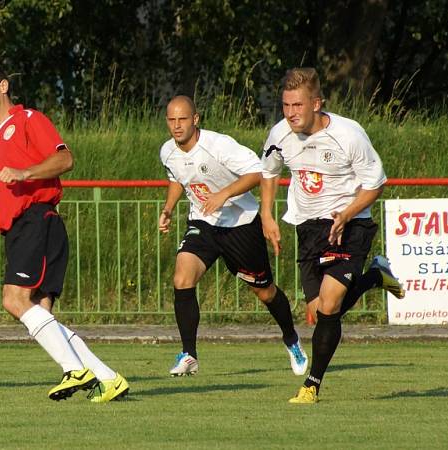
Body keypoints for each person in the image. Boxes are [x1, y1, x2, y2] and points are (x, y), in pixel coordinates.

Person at [0, 64, 128, 403]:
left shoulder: (28, 120)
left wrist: (25, 172)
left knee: (14, 299)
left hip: (39, 220)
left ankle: (74, 369)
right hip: (20, 229)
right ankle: (108, 378)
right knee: (39, 310)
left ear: (3, 86)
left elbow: (65, 159)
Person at [260, 67, 405, 404]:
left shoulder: (349, 135)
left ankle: (311, 386)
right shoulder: (279, 134)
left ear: (316, 103)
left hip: (349, 225)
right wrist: (267, 214)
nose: (291, 113)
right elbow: (268, 171)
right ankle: (374, 277)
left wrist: (347, 213)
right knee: (319, 313)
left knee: (330, 303)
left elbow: (375, 184)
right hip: (309, 229)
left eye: (298, 105)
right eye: (286, 105)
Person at [158, 95, 308, 378]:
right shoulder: (168, 151)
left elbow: (257, 172)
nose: (177, 126)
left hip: (240, 224)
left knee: (264, 292)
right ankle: (189, 354)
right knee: (182, 277)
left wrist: (224, 194)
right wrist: (168, 208)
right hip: (203, 222)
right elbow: (178, 178)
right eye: (171, 120)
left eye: (182, 119)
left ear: (195, 119)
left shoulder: (218, 145)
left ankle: (291, 338)